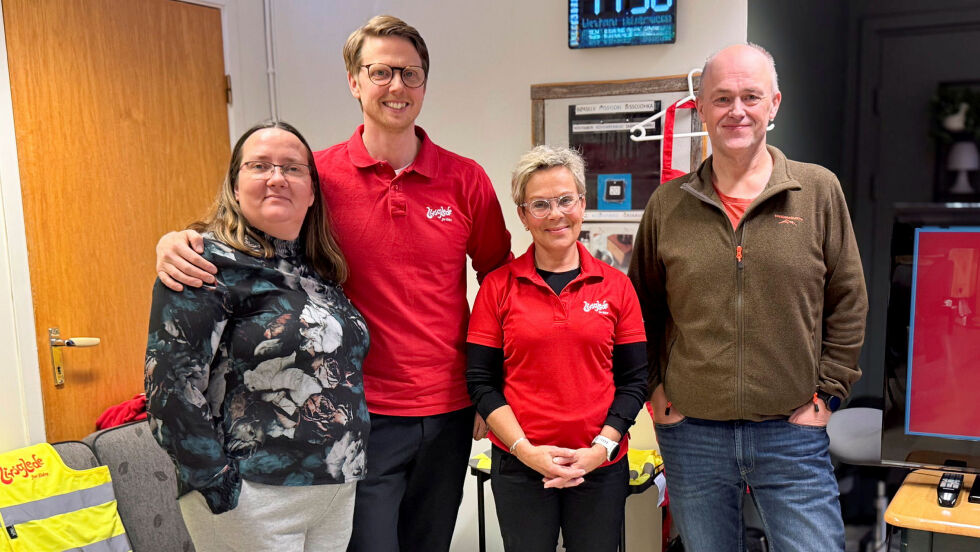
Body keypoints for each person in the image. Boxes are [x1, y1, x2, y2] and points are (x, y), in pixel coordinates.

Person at [153, 15, 513, 552]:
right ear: (354, 80)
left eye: (411, 74)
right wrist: (178, 238)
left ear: (425, 84)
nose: (397, 87)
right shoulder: (316, 177)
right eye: (382, 72)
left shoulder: (466, 180)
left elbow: (501, 283)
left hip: (449, 408)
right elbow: (252, 231)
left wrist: (492, 391)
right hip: (357, 413)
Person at [628, 44, 868, 551]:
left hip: (792, 431)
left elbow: (848, 299)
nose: (736, 110)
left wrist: (828, 393)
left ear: (774, 105)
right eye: (722, 98)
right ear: (701, 108)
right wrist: (653, 388)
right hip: (692, 433)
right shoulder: (668, 205)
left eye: (750, 96)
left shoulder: (817, 190)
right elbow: (640, 307)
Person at [145, 120, 370, 552]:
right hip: (255, 494)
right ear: (235, 183)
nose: (276, 178)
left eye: (292, 168)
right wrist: (216, 484)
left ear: (312, 191)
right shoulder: (202, 263)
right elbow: (168, 388)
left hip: (334, 491)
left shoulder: (319, 273)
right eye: (259, 165)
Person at [467, 146, 648, 552]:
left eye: (565, 200)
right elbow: (481, 381)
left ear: (582, 204)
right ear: (523, 215)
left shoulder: (617, 287)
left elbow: (635, 380)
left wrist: (601, 449)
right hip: (519, 466)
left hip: (600, 467)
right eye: (540, 204)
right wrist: (526, 451)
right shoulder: (498, 287)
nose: (555, 214)